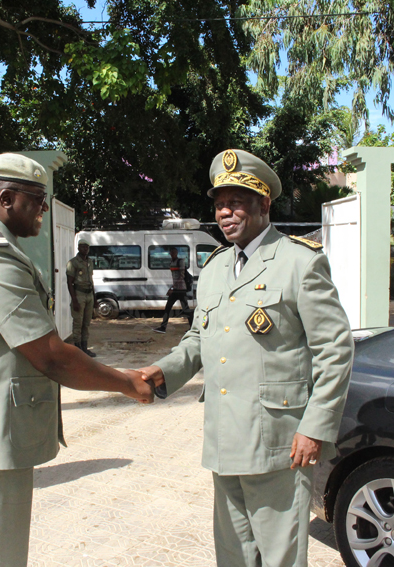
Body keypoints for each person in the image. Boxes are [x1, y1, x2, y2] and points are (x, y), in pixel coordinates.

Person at [0, 153, 154, 567]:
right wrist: (126, 383)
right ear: (8, 199)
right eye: (38, 198)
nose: (44, 209)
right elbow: (51, 356)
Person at [137, 149, 354, 567]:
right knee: (233, 555)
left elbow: (335, 349)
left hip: (280, 440)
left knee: (280, 557)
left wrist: (315, 427)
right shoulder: (216, 266)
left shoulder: (299, 262)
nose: (225, 213)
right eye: (219, 204)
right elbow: (199, 338)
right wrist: (160, 372)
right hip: (225, 436)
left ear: (264, 204)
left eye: (236, 202)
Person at [153, 247, 194, 333]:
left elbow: (181, 276)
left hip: (181, 289)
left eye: (174, 252)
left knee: (185, 309)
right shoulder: (172, 262)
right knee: (168, 308)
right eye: (171, 253)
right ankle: (163, 328)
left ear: (176, 253)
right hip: (175, 289)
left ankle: (193, 328)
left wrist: (172, 288)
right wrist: (173, 287)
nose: (173, 254)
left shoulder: (180, 262)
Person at [66, 239, 96, 356]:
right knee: (78, 322)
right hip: (79, 294)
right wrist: (74, 300)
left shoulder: (90, 262)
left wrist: (95, 298)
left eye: (87, 247)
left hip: (89, 295)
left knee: (86, 323)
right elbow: (70, 282)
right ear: (78, 248)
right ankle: (78, 350)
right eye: (83, 247)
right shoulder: (73, 263)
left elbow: (91, 280)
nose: (85, 249)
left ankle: (85, 348)